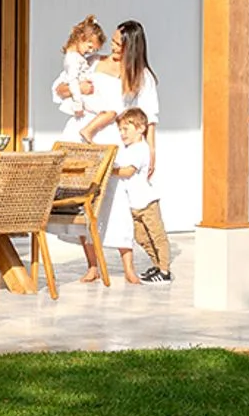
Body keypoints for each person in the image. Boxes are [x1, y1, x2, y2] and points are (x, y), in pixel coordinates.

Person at [73, 19, 160, 282]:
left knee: (119, 203)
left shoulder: (141, 76)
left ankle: (128, 268)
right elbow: (67, 85)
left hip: (117, 139)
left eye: (119, 44)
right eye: (112, 40)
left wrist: (151, 151)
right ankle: (92, 265)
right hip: (88, 137)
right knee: (87, 202)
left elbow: (150, 117)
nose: (113, 47)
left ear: (132, 48)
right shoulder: (94, 62)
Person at [102, 106, 171, 284]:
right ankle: (156, 265)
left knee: (157, 236)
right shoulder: (128, 149)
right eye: (120, 130)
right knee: (142, 238)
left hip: (147, 203)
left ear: (140, 128)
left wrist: (109, 169)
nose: (122, 133)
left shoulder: (140, 149)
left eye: (126, 129)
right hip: (134, 205)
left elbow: (127, 172)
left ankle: (165, 270)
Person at [51, 14, 105, 126]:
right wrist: (78, 104)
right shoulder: (72, 59)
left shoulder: (78, 57)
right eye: (89, 47)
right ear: (81, 38)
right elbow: (73, 82)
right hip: (80, 99)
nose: (90, 52)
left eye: (93, 50)